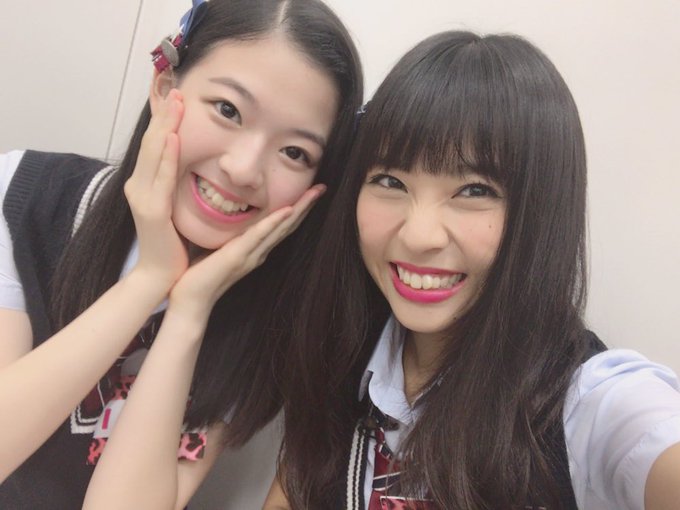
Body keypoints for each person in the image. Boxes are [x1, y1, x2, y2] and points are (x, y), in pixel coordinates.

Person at [264, 31, 680, 509]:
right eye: (390, 181)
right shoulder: (342, 360)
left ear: (540, 210)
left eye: (475, 190)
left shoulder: (589, 404)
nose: (419, 235)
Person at [0, 0, 362, 508]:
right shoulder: (27, 199)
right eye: (228, 110)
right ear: (165, 85)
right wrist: (149, 277)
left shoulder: (270, 320)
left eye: (294, 152)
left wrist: (190, 310)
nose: (243, 169)